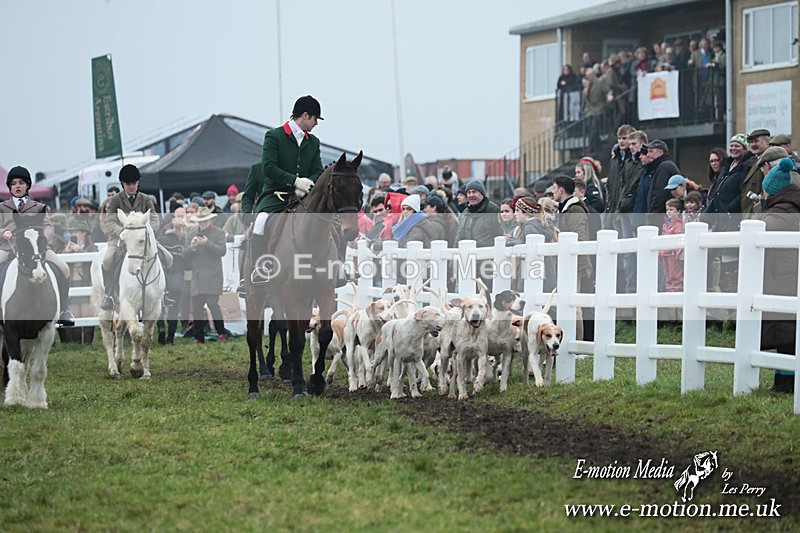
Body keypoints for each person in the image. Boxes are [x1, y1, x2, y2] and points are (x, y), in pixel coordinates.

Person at [239, 95, 323, 291]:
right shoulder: (274, 136)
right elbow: (268, 167)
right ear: (304, 115)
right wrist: (294, 181)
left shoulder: (314, 142)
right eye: (315, 118)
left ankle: (337, 267)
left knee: (330, 221)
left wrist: (307, 184)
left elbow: (318, 170)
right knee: (259, 223)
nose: (316, 123)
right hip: (275, 196)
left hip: (303, 197)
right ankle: (259, 268)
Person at [0, 166, 74, 326]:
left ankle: (64, 309)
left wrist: (42, 239)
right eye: (13, 183)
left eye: (21, 183)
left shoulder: (38, 207)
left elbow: (49, 227)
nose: (17, 186)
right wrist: (3, 232)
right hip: (9, 247)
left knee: (64, 268)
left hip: (36, 248)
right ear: (10, 187)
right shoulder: (3, 207)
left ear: (27, 185)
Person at [759, 158, 800, 393]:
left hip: (782, 275)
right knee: (787, 333)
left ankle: (785, 383)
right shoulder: (792, 207)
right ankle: (784, 380)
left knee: (784, 332)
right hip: (789, 273)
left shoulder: (776, 214)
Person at [100, 164, 162, 311]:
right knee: (107, 259)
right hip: (120, 238)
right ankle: (109, 294)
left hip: (143, 239)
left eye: (134, 183)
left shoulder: (146, 199)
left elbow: (155, 220)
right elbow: (109, 221)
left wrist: (146, 231)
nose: (132, 186)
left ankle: (164, 292)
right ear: (123, 184)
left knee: (168, 258)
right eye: (129, 184)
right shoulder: (115, 200)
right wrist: (122, 231)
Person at [552, 175, 591, 340]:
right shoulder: (564, 208)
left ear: (561, 189)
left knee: (574, 305)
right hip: (565, 262)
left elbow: (579, 236)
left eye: (554, 188)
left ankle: (578, 343)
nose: (552, 192)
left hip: (575, 262)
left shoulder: (575, 209)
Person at [183, 207, 229, 344]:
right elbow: (184, 254)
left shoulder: (219, 233)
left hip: (213, 276)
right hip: (197, 276)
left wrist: (206, 243)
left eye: (204, 221)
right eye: (200, 221)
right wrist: (192, 247)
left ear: (210, 220)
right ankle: (199, 337)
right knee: (197, 308)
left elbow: (222, 251)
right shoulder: (191, 234)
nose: (202, 224)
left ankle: (221, 333)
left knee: (213, 305)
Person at [59, 217, 98, 344]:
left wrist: (80, 251)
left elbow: (95, 260)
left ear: (84, 233)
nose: (73, 234)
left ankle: (87, 344)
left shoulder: (92, 247)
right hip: (72, 283)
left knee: (87, 313)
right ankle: (75, 344)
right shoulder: (67, 247)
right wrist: (66, 252)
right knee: (75, 313)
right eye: (73, 232)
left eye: (76, 231)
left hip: (86, 283)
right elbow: (60, 263)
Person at [506, 196, 557, 292]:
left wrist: (510, 242)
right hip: (546, 271)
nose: (515, 214)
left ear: (525, 212)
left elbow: (530, 248)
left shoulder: (529, 227)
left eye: (517, 210)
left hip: (535, 271)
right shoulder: (538, 225)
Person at [157, 207, 188, 344]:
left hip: (163, 277)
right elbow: (189, 263)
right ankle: (170, 337)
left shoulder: (161, 239)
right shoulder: (184, 241)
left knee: (159, 305)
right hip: (178, 276)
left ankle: (161, 327)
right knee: (174, 309)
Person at [741, 129, 772, 216]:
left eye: (756, 141)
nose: (753, 144)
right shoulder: (757, 161)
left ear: (767, 142)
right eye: (751, 142)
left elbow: (768, 190)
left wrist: (757, 209)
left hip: (759, 214)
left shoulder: (770, 160)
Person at [658, 198, 685, 292]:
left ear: (678, 212)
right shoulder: (665, 224)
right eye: (667, 210)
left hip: (673, 255)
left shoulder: (679, 225)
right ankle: (669, 294)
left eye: (671, 209)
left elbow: (678, 239)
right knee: (667, 276)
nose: (669, 212)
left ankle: (676, 296)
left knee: (675, 275)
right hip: (665, 254)